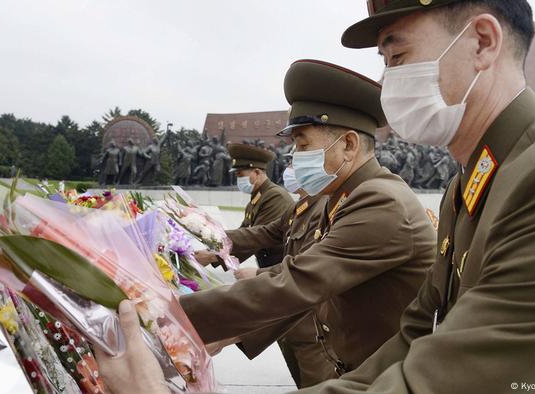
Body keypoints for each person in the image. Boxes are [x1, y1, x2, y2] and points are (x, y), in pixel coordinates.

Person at [286, 0, 535, 392]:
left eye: (399, 56)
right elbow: (417, 335)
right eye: (385, 63)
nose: (390, 82)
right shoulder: (468, 184)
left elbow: (456, 380)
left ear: (483, 43)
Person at [96, 59, 436, 393]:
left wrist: (161, 317)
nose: (297, 157)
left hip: (389, 380)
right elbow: (305, 284)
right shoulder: (341, 197)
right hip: (362, 373)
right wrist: (228, 331)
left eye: (304, 145)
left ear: (348, 144)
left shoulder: (380, 201)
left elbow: (298, 283)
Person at [225, 161, 334, 388]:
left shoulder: (324, 206)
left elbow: (307, 266)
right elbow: (263, 233)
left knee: (315, 384)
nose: (290, 172)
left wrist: (258, 273)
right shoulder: (301, 206)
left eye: (296, 164)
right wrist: (216, 240)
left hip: (311, 326)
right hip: (289, 317)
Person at [197, 142, 294, 268]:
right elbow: (242, 234)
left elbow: (254, 239)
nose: (238, 180)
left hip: (279, 267)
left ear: (257, 172)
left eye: (240, 175)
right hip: (269, 268)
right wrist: (211, 252)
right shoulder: (256, 199)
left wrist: (211, 256)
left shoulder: (275, 197)